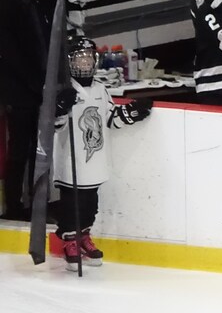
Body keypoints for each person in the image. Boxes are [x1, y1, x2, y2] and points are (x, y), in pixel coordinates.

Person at [51, 37, 151, 270]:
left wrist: (131, 112)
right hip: (70, 162)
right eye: (79, 58)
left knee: (90, 204)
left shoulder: (100, 89)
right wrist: (59, 108)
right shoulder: (63, 90)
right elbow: (53, 127)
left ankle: (83, 236)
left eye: (88, 58)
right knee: (72, 205)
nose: (84, 63)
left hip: (94, 162)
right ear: (69, 62)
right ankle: (70, 241)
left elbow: (110, 119)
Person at [0, 0, 49, 221]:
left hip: (37, 88)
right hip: (20, 91)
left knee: (34, 148)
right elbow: (12, 55)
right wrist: (35, 85)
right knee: (20, 148)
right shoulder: (7, 7)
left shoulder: (35, 4)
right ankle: (14, 207)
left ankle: (31, 201)